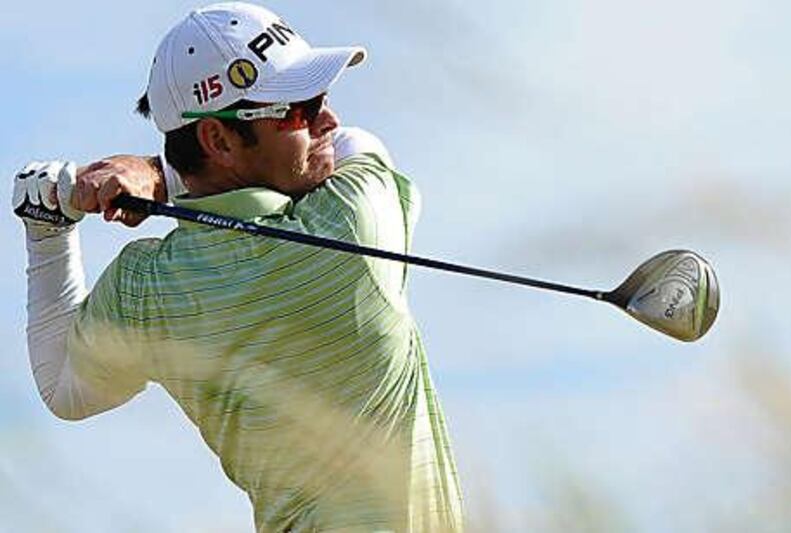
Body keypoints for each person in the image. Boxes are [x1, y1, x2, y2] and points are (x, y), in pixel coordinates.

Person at [12, 3, 463, 531]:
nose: (328, 119)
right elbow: (358, 144)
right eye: (299, 109)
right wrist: (157, 176)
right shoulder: (352, 222)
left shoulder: (149, 289)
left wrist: (48, 228)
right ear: (220, 140)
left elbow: (64, 389)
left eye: (320, 100)